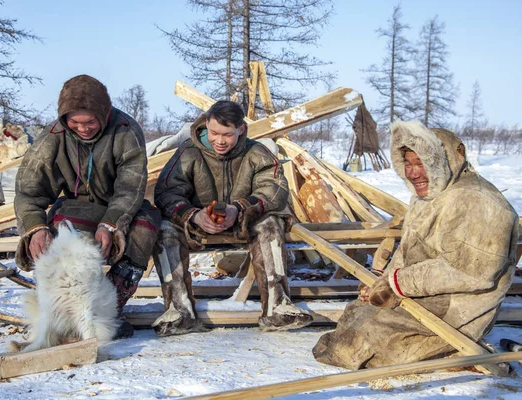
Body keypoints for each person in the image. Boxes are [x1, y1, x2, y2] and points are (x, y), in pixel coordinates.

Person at [312, 120, 519, 369]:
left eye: (421, 163)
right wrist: (384, 281)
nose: (413, 173)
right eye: (408, 163)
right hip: (423, 293)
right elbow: (409, 250)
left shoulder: (477, 201)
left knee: (362, 340)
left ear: (445, 161)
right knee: (357, 315)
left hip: (457, 306)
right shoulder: (429, 196)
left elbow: (470, 273)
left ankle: (458, 353)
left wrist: (397, 284)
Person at [14, 75, 161, 337]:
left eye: (90, 121)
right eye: (75, 122)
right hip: (75, 206)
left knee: (145, 228)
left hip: (122, 206)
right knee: (56, 235)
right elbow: (29, 190)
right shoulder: (53, 137)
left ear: (103, 115)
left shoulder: (126, 130)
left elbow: (130, 186)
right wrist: (35, 227)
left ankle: (109, 309)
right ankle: (59, 314)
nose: (83, 128)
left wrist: (111, 223)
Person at [151, 100, 313, 336]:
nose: (219, 140)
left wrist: (239, 209)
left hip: (245, 223)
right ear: (206, 125)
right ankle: (179, 311)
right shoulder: (188, 152)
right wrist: (193, 215)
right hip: (197, 226)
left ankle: (277, 306)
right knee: (164, 228)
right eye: (214, 132)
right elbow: (166, 192)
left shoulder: (257, 152)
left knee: (271, 223)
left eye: (227, 134)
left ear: (241, 130)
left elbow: (274, 189)